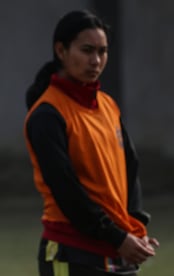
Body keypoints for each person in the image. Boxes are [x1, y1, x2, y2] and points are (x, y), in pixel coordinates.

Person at [24, 10, 159, 276]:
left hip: (116, 252)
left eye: (103, 51)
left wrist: (133, 227)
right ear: (61, 50)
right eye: (87, 50)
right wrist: (118, 237)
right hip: (71, 253)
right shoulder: (47, 114)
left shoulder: (108, 106)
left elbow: (129, 170)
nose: (96, 60)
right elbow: (67, 190)